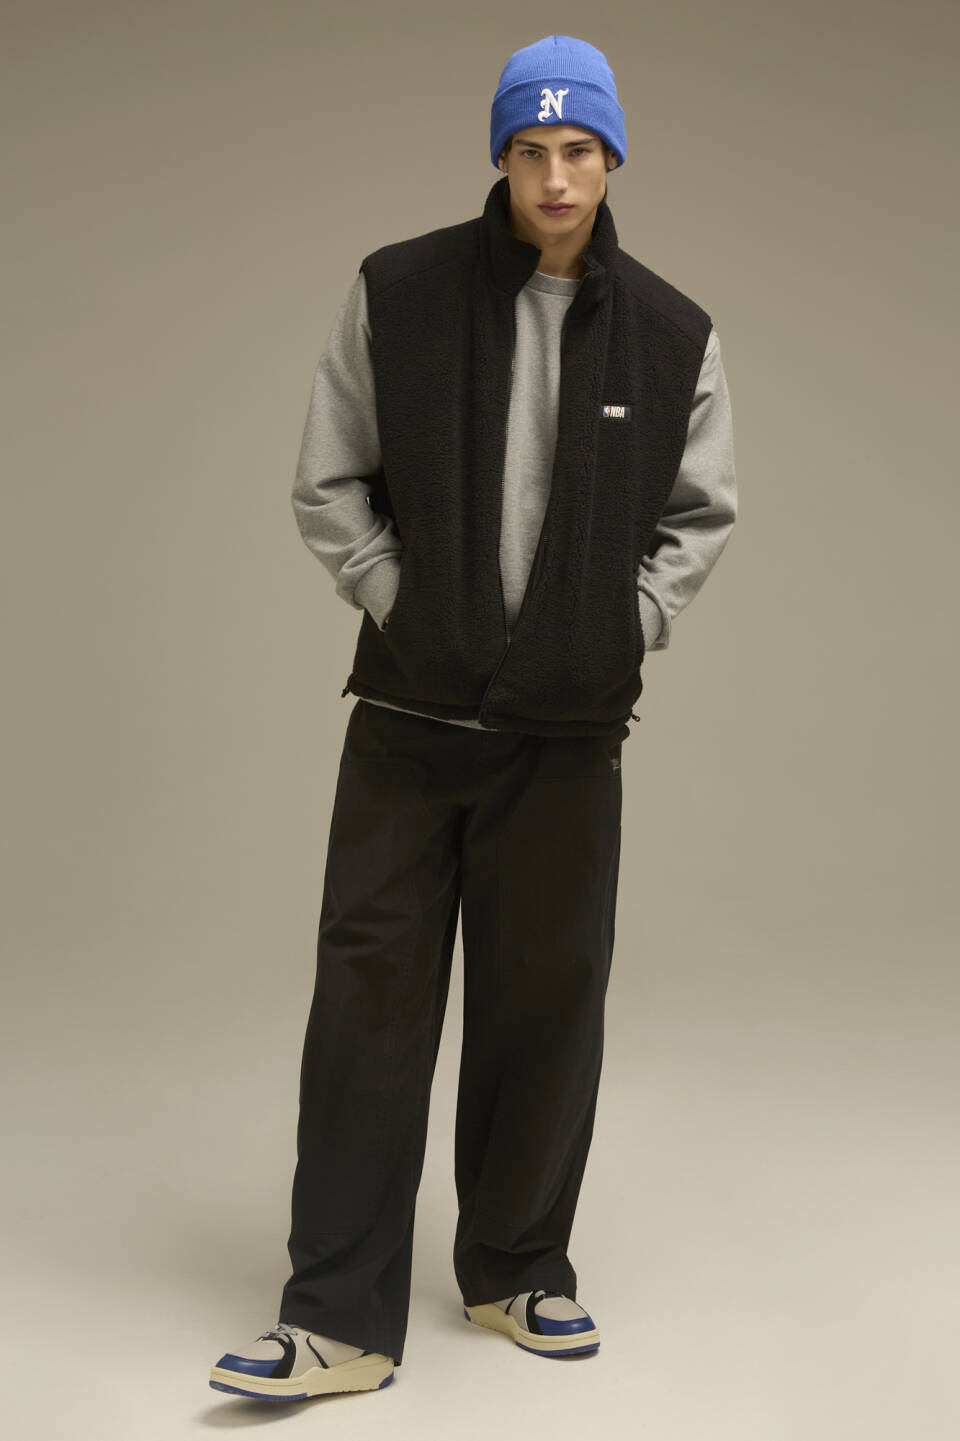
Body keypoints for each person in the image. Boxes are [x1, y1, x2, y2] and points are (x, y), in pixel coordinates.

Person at [209, 33, 737, 1402]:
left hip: (567, 739)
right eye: (531, 149)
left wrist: (621, 629)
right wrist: (398, 602)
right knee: (366, 1011)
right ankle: (337, 1319)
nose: (556, 177)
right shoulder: (401, 291)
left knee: (545, 1005)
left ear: (612, 159)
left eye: (580, 150)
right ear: (501, 156)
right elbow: (329, 476)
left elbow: (700, 515)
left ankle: (516, 1269)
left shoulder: (672, 331)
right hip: (409, 721)